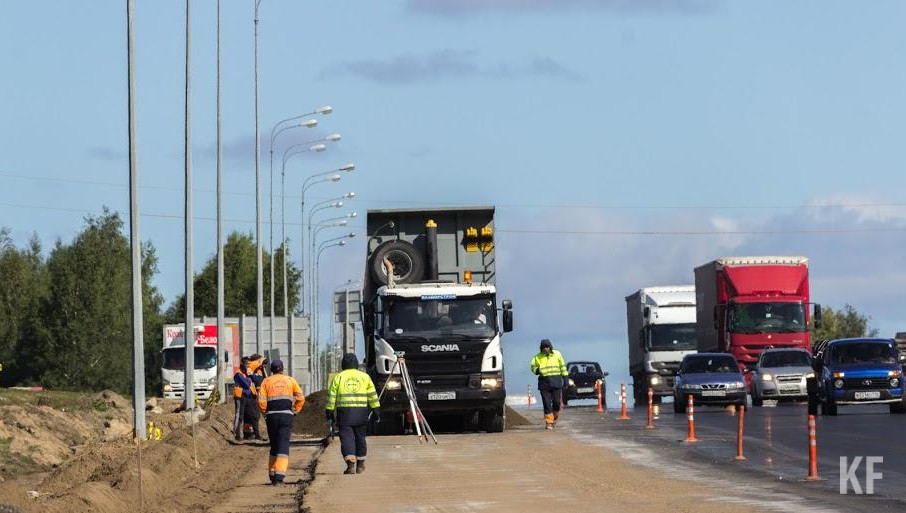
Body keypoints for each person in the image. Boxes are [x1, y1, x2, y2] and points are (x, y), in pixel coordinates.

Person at [325, 353, 381, 475]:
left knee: (347, 438)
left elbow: (331, 396)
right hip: (361, 413)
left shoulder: (339, 377)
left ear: (343, 364)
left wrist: (329, 411)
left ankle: (350, 465)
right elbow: (372, 394)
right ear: (356, 364)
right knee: (360, 438)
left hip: (344, 413)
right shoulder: (365, 377)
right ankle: (360, 465)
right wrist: (376, 409)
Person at [257, 359, 305, 485]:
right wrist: (295, 410)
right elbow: (300, 397)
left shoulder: (266, 381)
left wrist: (265, 413)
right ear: (283, 369)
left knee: (274, 444)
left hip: (271, 417)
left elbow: (261, 401)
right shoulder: (290, 380)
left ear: (271, 370)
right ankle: (279, 475)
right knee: (283, 445)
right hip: (286, 416)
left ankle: (272, 474)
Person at [529, 339, 568, 430]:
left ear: (550, 347)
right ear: (541, 348)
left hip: (556, 382)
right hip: (544, 383)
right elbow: (532, 367)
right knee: (546, 404)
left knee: (556, 403)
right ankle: (549, 422)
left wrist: (565, 379)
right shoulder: (537, 357)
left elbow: (563, 367)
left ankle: (554, 417)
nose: (546, 348)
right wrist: (537, 370)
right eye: (544, 347)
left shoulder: (557, 354)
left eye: (547, 347)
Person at [232, 356, 255, 440]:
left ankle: (244, 433)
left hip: (246, 396)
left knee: (246, 415)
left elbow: (251, 382)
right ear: (242, 364)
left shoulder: (245, 373)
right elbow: (247, 384)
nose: (248, 366)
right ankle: (236, 433)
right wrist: (249, 379)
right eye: (246, 364)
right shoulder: (238, 374)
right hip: (239, 396)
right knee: (239, 415)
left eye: (249, 364)